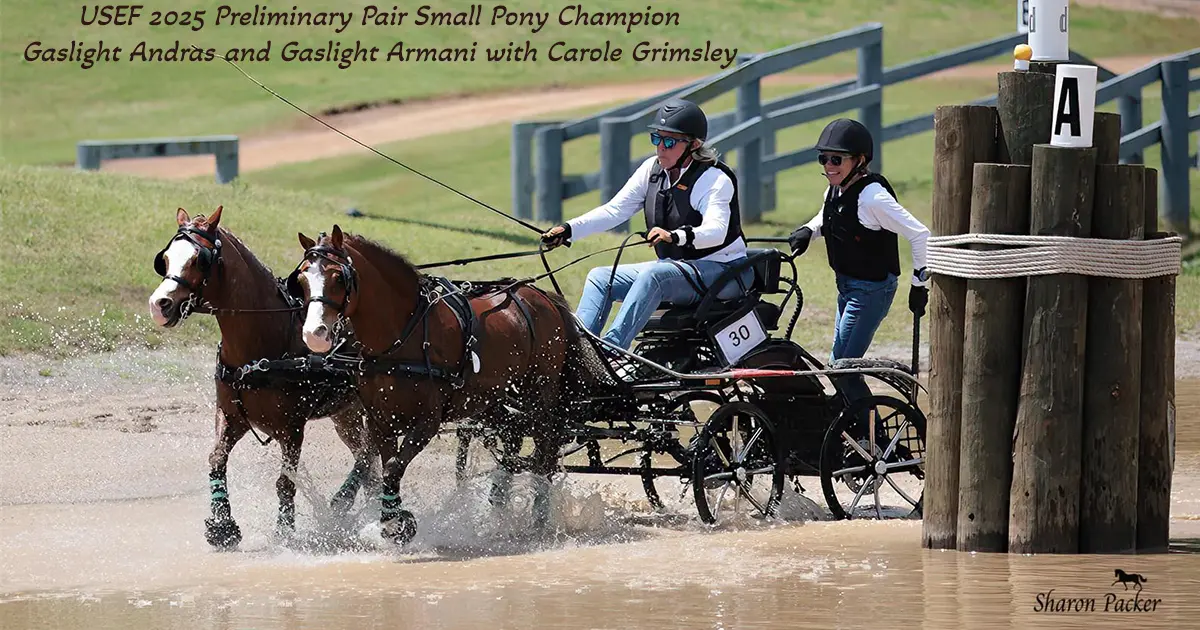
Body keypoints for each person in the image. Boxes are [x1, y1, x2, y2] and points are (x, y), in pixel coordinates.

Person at [540, 98, 754, 351]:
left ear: (694, 145)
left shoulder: (714, 179)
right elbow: (615, 210)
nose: (660, 148)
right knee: (600, 278)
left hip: (724, 271)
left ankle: (610, 353)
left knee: (655, 276)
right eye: (657, 139)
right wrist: (569, 229)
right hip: (677, 268)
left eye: (670, 141)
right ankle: (579, 351)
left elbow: (716, 231)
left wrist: (675, 237)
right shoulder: (651, 171)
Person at [787, 118, 930, 405]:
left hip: (871, 291)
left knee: (843, 369)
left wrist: (919, 285)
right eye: (823, 158)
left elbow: (920, 235)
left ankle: (868, 436)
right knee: (839, 364)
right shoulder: (834, 189)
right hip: (848, 287)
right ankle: (853, 425)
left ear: (860, 160)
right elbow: (827, 217)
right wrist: (809, 231)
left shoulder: (872, 197)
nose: (829, 165)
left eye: (837, 159)